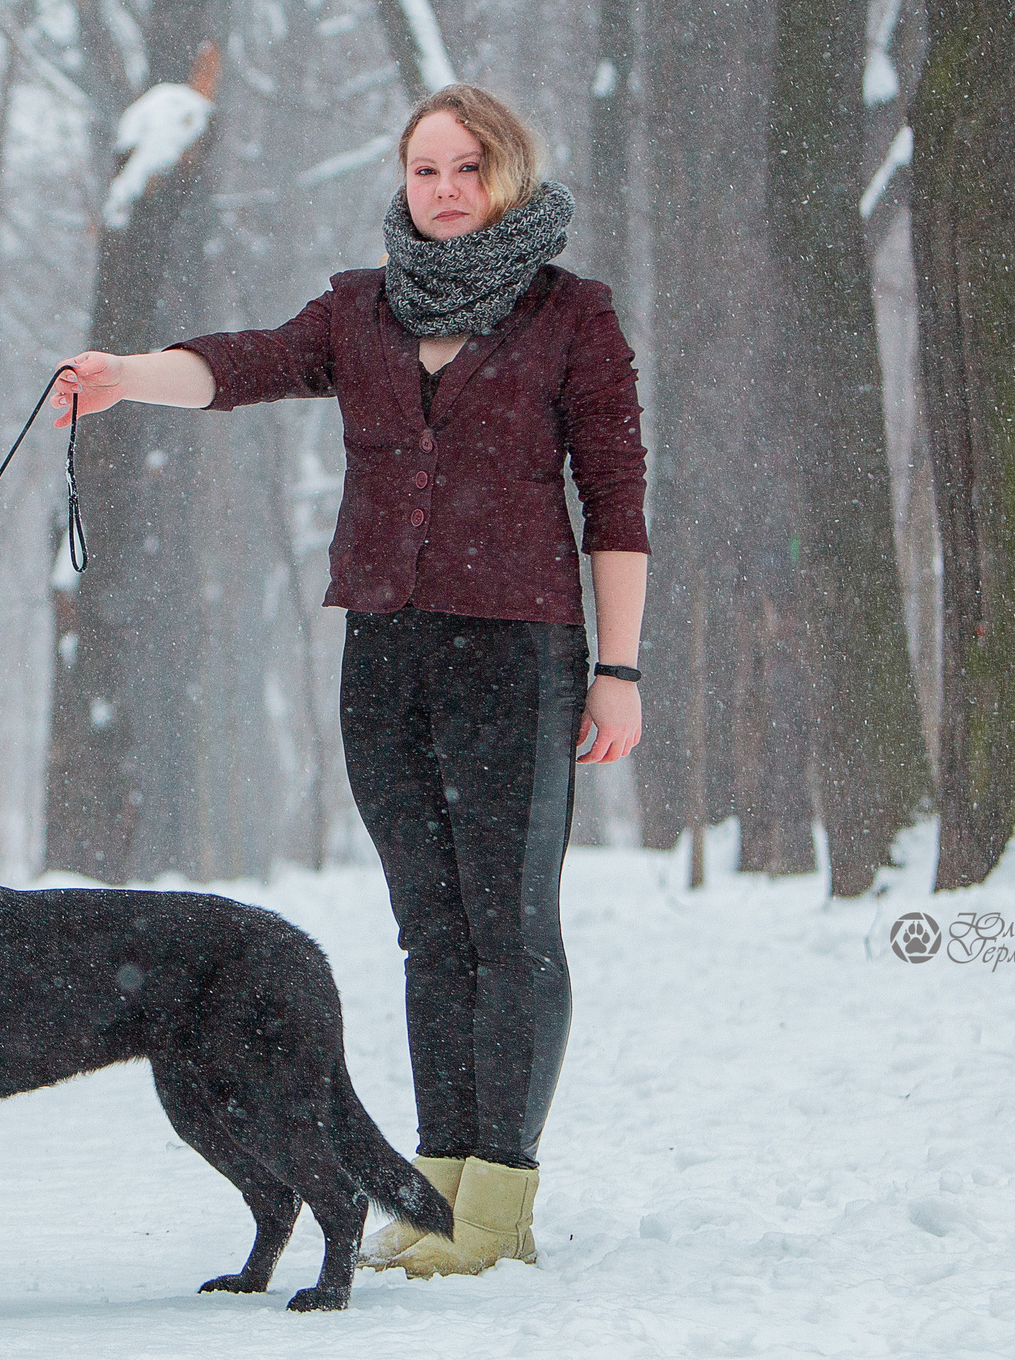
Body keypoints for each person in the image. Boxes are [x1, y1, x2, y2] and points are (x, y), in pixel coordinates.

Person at [52, 82, 648, 1278]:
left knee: (509, 925)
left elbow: (618, 500)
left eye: (466, 169)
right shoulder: (361, 310)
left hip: (518, 650)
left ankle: (498, 1199)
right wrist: (127, 372)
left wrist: (618, 669)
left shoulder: (569, 318)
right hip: (384, 650)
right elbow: (250, 364)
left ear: (508, 177)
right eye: (424, 169)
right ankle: (434, 1191)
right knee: (430, 929)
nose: (442, 190)